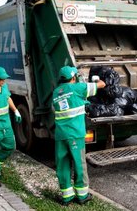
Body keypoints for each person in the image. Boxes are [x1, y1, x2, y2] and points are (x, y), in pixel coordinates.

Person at [52, 66, 106, 205]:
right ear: (74, 77)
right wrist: (96, 79)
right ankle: (82, 196)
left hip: (60, 135)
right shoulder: (78, 88)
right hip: (75, 134)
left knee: (62, 164)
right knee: (79, 163)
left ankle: (66, 197)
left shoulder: (56, 92)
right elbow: (101, 85)